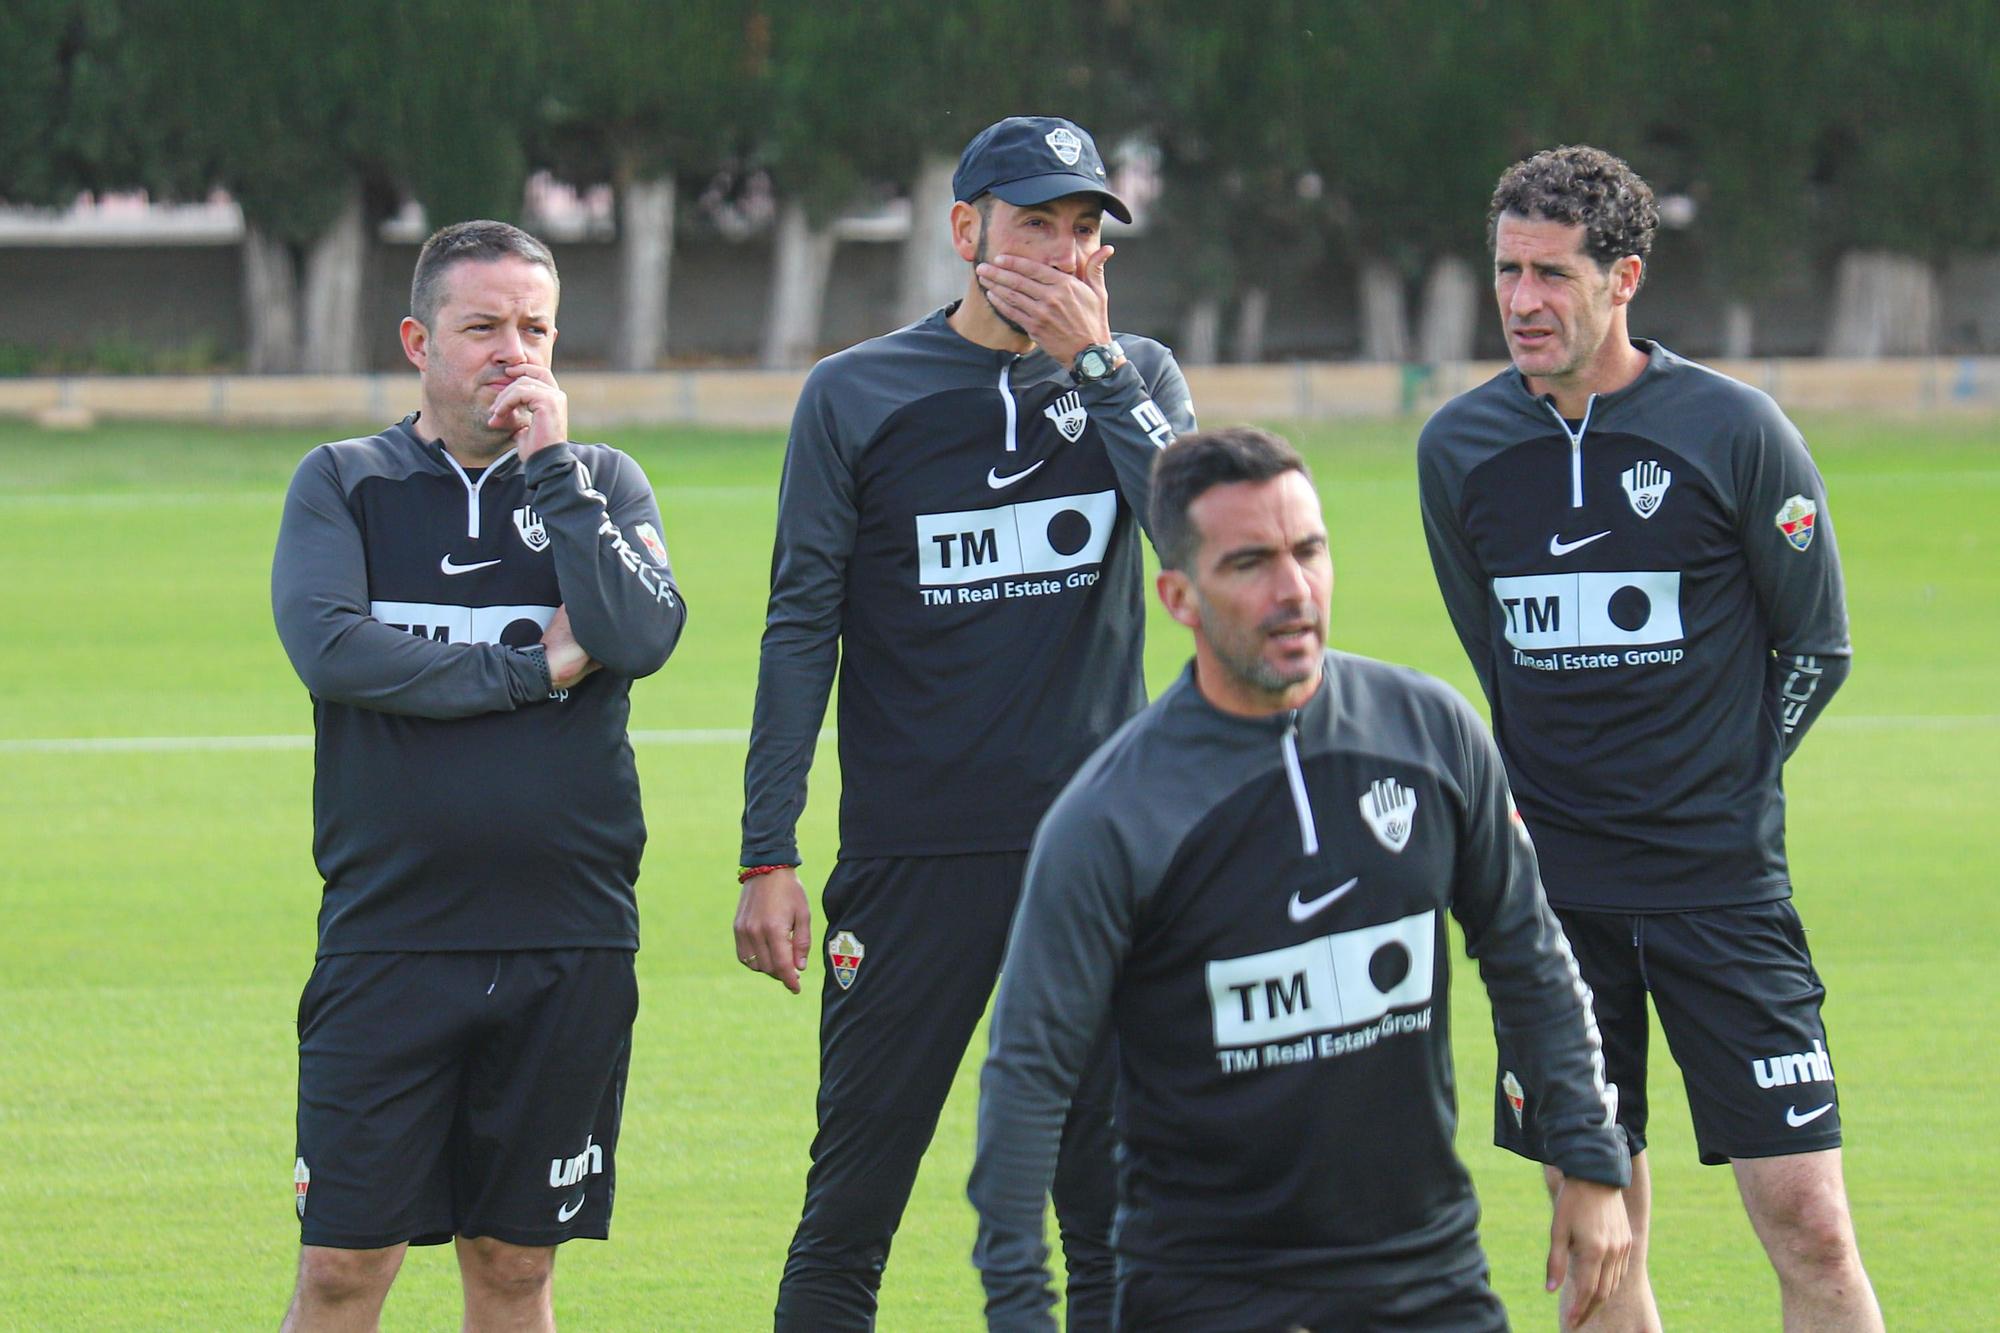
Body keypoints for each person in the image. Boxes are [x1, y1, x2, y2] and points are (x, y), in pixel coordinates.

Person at [969, 426, 1631, 1332]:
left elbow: (1529, 956)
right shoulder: (1111, 818)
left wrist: (1591, 1162)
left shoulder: (1431, 733)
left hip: (1424, 1276)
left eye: (1308, 551)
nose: (1294, 592)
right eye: (1250, 564)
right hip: (1207, 1291)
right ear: (1179, 596)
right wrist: (1018, 1308)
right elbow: (1027, 1076)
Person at [732, 114, 1195, 1330]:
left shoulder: (1135, 379)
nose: (1059, 252)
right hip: (911, 862)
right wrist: (766, 849)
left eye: (1083, 230)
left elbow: (1203, 552)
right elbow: (798, 626)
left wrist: (1092, 369)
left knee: (1108, 1224)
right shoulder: (856, 393)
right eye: (1032, 223)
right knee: (847, 1219)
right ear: (963, 230)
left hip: (1099, 863)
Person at [1417, 145, 1882, 1331]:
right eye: (1505, 271)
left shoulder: (1732, 430)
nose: (1520, 301)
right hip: (1553, 910)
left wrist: (1721, 783)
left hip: (1719, 891)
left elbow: (1813, 649)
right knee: (1593, 1249)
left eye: (1551, 274)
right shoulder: (1456, 451)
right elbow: (1500, 656)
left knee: (1812, 1228)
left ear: (1621, 278)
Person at [270, 219, 686, 1332]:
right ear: (418, 338)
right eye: (483, 326)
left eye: (536, 328)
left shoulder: (599, 483)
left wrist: (550, 467)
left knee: (513, 1267)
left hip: (568, 937)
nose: (514, 351)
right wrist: (533, 668)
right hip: (389, 937)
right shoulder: (344, 483)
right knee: (342, 1269)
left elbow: (642, 634)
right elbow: (333, 649)